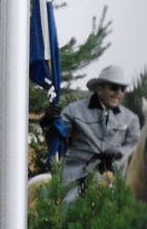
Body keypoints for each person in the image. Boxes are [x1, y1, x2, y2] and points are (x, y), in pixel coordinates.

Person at [42, 64, 141, 203]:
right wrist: (48, 123)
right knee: (70, 204)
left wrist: (118, 153)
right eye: (113, 87)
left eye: (122, 89)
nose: (118, 92)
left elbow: (135, 147)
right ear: (99, 88)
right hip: (77, 177)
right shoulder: (74, 111)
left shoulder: (131, 119)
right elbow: (58, 135)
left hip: (116, 178)